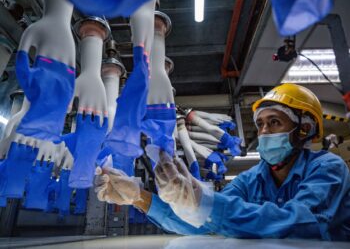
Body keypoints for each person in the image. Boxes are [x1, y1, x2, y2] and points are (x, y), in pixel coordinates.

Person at [94, 83, 350, 241]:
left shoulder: (328, 168)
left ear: (304, 129)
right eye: (260, 124)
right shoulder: (251, 180)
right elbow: (200, 223)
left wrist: (204, 201)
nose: (263, 132)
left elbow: (300, 222)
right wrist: (139, 197)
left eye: (274, 122)